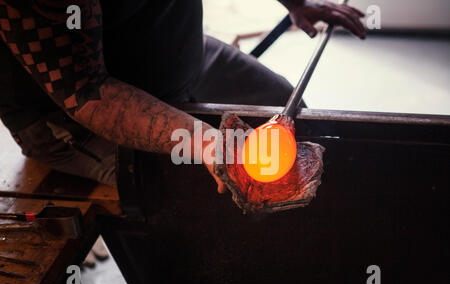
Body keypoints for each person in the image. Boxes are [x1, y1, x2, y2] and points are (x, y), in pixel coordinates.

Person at [0, 0, 365, 193]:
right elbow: (86, 91)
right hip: (70, 112)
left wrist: (296, 2)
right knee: (194, 194)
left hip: (178, 51)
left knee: (284, 103)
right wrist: (206, 143)